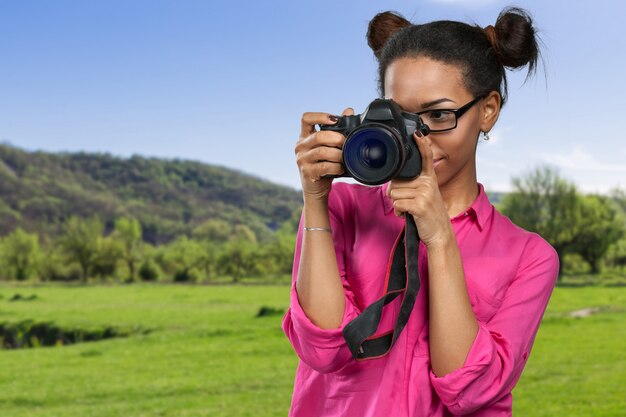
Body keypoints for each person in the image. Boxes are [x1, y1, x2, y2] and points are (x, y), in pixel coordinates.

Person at [282, 7, 559, 417]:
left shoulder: (530, 257)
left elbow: (468, 389)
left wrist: (440, 236)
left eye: (438, 115)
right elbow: (322, 348)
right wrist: (315, 198)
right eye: (400, 116)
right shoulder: (341, 208)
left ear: (487, 111)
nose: (417, 138)